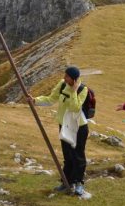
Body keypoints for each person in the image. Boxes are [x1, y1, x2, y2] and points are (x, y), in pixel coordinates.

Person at [29, 66, 90, 196]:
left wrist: (73, 92)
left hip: (79, 127)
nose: (64, 78)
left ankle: (79, 183)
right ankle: (67, 182)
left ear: (73, 79)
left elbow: (75, 107)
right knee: (67, 155)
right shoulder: (62, 85)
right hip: (64, 126)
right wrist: (35, 101)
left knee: (78, 155)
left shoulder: (82, 89)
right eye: (65, 75)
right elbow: (51, 99)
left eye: (67, 76)